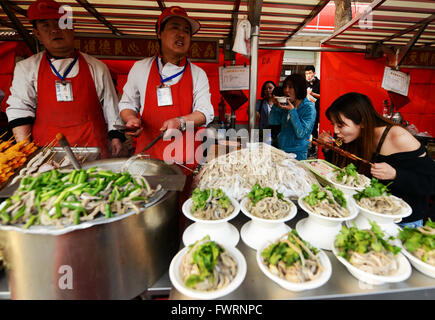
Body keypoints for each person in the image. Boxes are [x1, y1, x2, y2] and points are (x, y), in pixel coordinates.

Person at [5, 0, 124, 158]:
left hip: (93, 151)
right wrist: (24, 149)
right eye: (45, 25)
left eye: (61, 23)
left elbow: (111, 108)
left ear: (72, 27)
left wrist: (116, 138)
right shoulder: (27, 68)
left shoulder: (97, 67)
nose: (55, 30)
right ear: (37, 33)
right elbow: (20, 109)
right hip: (45, 155)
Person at [118, 6, 214, 171]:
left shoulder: (198, 74)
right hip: (148, 158)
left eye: (186, 31)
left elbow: (205, 111)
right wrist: (131, 119)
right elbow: (127, 103)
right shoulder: (141, 68)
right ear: (159, 33)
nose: (181, 34)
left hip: (185, 160)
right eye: (174, 28)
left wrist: (180, 121)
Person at [318, 92, 435, 227]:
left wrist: (396, 174)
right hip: (366, 213)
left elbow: (431, 182)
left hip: (401, 221)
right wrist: (327, 148)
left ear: (361, 121)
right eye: (333, 124)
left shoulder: (398, 137)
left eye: (340, 125)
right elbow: (343, 169)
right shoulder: (354, 136)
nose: (335, 131)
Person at [268, 74, 316, 160]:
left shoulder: (309, 108)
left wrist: (292, 111)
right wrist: (275, 106)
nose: (286, 90)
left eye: (290, 87)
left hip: (298, 154)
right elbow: (273, 121)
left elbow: (301, 134)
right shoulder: (286, 104)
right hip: (281, 150)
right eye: (285, 87)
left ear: (299, 89)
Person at [305, 65, 320, 156]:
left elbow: (323, 96)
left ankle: (314, 148)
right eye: (306, 74)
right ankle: (307, 147)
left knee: (314, 129)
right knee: (307, 129)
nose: (308, 75)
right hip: (307, 110)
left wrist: (312, 94)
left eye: (310, 73)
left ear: (314, 73)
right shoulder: (305, 83)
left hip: (317, 109)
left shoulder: (320, 83)